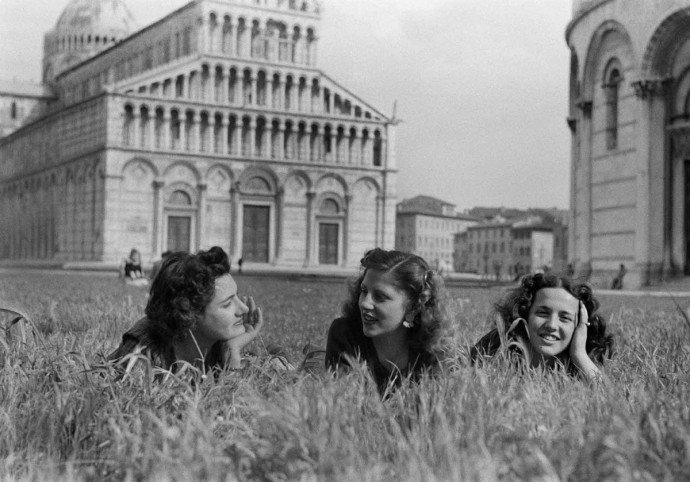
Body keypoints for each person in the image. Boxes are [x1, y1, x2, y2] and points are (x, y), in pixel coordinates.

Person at [108, 246, 264, 377]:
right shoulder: (144, 354)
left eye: (236, 296)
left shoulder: (219, 341)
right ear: (190, 315)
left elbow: (235, 402)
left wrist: (233, 351)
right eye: (227, 304)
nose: (243, 309)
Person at [325, 248, 450, 394]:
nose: (365, 303)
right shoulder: (344, 333)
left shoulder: (433, 347)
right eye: (364, 291)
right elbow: (345, 402)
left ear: (413, 307)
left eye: (380, 296)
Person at [471, 273, 613, 381]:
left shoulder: (579, 364)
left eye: (565, 318)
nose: (551, 325)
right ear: (525, 314)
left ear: (578, 326)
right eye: (542, 313)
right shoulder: (498, 347)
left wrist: (579, 354)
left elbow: (609, 398)